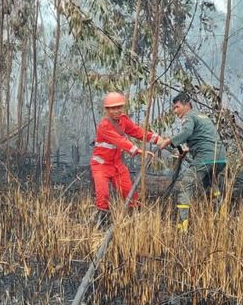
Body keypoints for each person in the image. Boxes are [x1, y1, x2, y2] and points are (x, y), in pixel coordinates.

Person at [91, 92, 166, 225]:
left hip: (117, 165)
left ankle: (136, 222)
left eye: (119, 107)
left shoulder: (124, 120)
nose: (116, 111)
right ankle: (102, 225)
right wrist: (137, 150)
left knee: (130, 193)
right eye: (113, 108)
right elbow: (120, 141)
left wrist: (156, 139)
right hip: (101, 166)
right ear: (107, 110)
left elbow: (137, 131)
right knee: (103, 195)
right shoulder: (104, 125)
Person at [159, 92, 227, 231]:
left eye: (177, 107)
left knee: (186, 184)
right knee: (209, 183)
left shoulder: (188, 116)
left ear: (186, 104)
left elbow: (187, 132)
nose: (175, 111)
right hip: (220, 158)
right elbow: (203, 138)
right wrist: (185, 150)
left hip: (206, 157)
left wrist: (170, 141)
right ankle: (221, 217)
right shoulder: (201, 116)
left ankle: (181, 226)